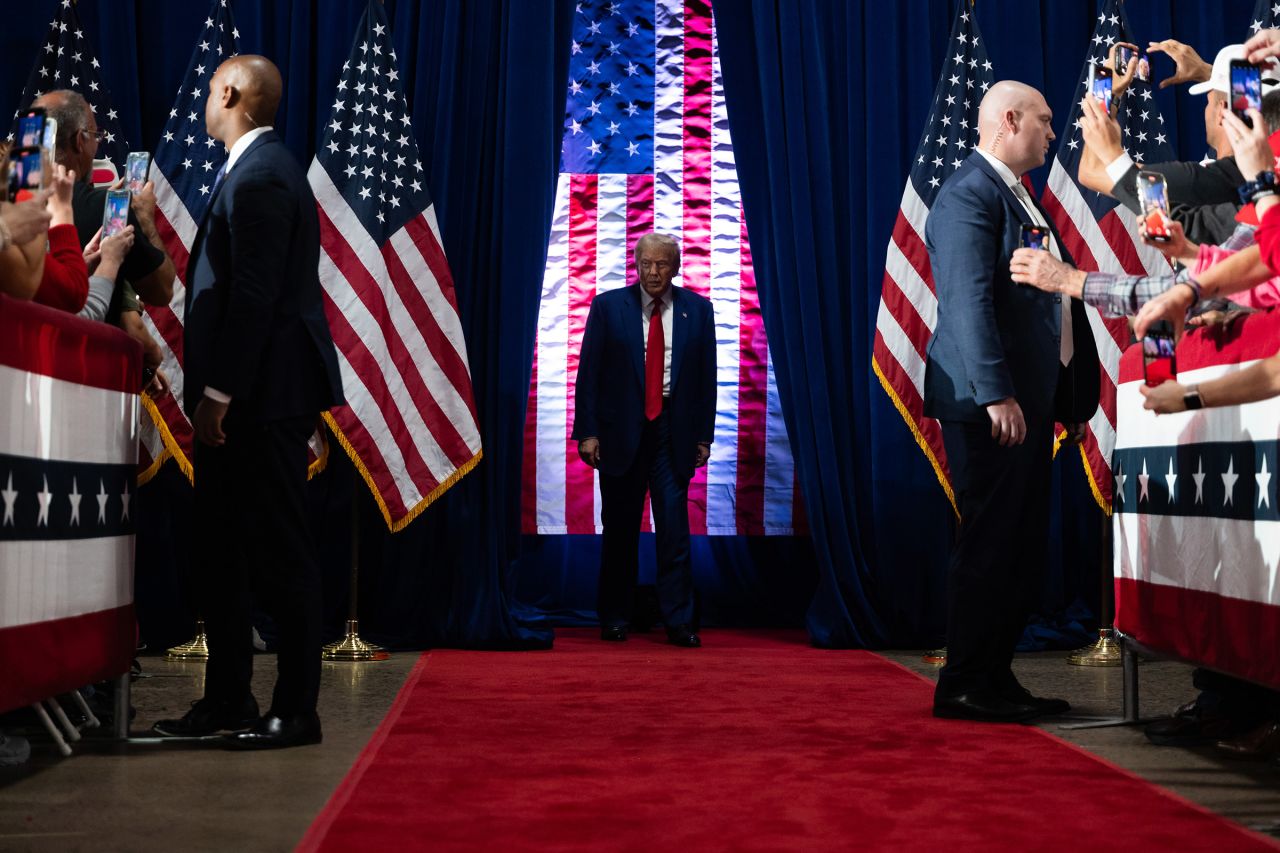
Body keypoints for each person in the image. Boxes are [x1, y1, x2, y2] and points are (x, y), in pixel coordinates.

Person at [153, 55, 343, 749]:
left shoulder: (262, 174)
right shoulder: (254, 169)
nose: (207, 100)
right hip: (250, 399)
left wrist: (216, 394)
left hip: (257, 402)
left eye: (210, 90)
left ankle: (297, 709)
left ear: (231, 93)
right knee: (221, 551)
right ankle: (229, 696)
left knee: (280, 552)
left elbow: (256, 298)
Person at [924, 81, 1100, 723]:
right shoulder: (970, 193)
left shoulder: (1013, 193)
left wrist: (1066, 400)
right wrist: (997, 392)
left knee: (1019, 546)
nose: (1053, 134)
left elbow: (1048, 308)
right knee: (992, 545)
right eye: (1046, 122)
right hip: (988, 405)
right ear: (1009, 120)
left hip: (1026, 403)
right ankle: (966, 684)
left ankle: (996, 677)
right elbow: (968, 304)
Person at [572, 232, 716, 648]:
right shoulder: (607, 307)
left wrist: (703, 436)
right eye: (646, 264)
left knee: (673, 529)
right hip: (620, 432)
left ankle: (679, 622)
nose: (653, 272)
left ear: (675, 267)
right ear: (636, 265)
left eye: (662, 265)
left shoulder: (698, 311)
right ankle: (616, 617)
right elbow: (589, 375)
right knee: (620, 530)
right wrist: (588, 432)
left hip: (673, 430)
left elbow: (707, 380)